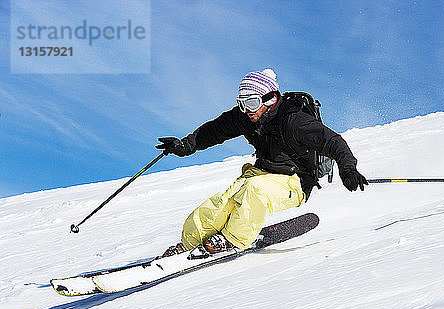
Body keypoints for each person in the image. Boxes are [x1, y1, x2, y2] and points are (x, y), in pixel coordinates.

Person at [156, 68, 367, 256]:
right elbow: (214, 131)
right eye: (242, 103)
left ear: (270, 99)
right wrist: (185, 145)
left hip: (294, 181)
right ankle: (188, 244)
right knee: (222, 202)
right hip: (261, 172)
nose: (247, 109)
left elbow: (332, 141)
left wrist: (348, 169)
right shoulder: (246, 117)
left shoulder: (294, 121)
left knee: (255, 191)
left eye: (252, 102)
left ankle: (232, 239)